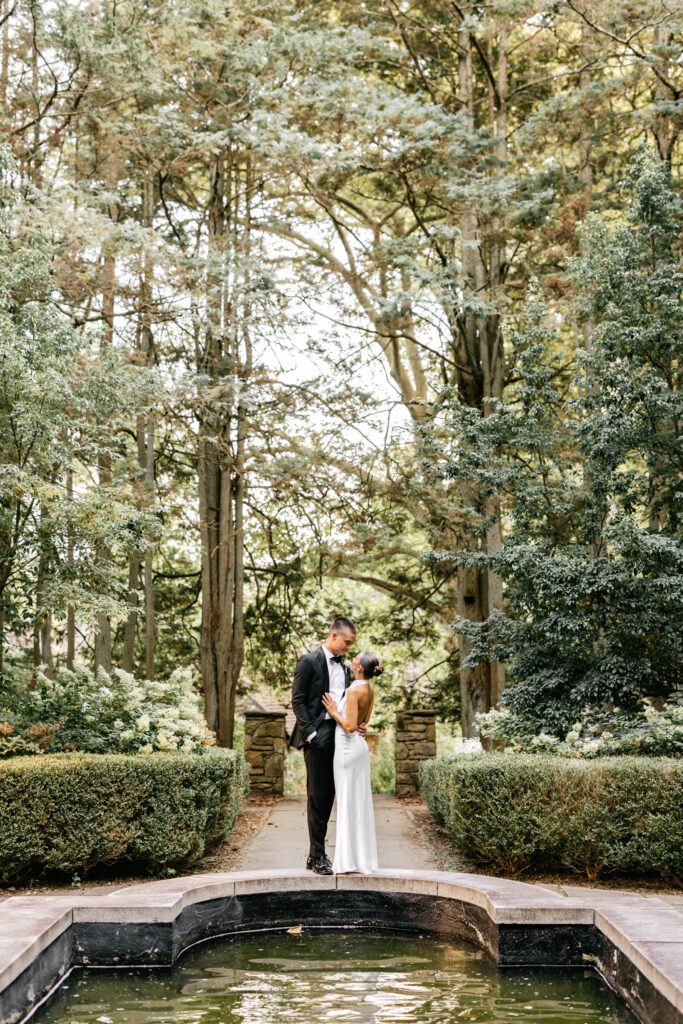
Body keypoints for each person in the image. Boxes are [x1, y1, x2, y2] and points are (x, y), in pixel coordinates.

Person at [290, 616, 361, 875]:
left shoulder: (343, 668)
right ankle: (318, 855)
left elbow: (344, 703)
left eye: (351, 644)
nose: (348, 648)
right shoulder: (308, 661)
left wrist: (355, 724)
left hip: (341, 736)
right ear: (333, 635)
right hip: (318, 737)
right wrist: (311, 735)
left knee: (332, 796)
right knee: (318, 797)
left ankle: (314, 856)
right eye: (346, 642)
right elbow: (297, 701)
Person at [322, 651, 380, 874]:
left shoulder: (354, 690)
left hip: (347, 749)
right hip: (358, 748)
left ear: (359, 668)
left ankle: (347, 861)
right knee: (358, 802)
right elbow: (364, 722)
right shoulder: (369, 688)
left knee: (347, 802)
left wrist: (334, 711)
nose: (352, 658)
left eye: (356, 657)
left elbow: (350, 726)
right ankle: (360, 858)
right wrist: (358, 724)